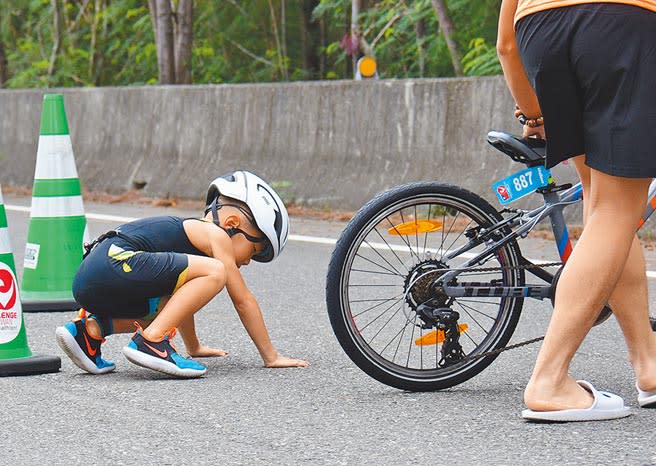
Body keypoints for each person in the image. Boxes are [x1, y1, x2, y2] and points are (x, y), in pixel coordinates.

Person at [497, 0, 656, 421]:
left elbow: (505, 45)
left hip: (541, 32)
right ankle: (549, 381)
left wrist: (531, 114)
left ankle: (649, 366)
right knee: (617, 210)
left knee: (605, 207)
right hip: (623, 26)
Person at [55, 170, 310, 378]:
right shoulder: (216, 235)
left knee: (168, 305)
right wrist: (271, 356)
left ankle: (89, 332)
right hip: (115, 262)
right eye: (253, 249)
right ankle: (152, 342)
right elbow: (242, 300)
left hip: (91, 275)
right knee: (216, 272)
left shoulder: (190, 248)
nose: (249, 260)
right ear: (232, 224)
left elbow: (180, 304)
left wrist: (194, 347)